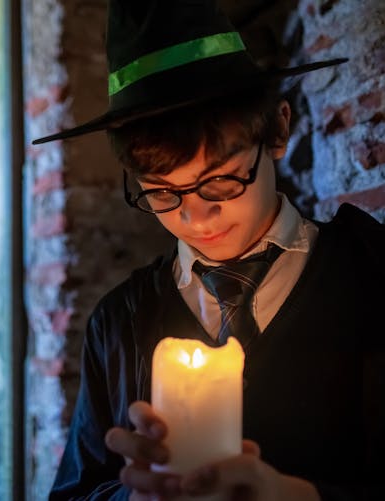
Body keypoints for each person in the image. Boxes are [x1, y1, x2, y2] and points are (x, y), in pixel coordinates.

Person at [32, 1, 384, 500]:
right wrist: (132, 497)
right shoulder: (119, 324)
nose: (194, 217)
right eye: (161, 192)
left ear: (278, 130)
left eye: (219, 181)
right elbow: (74, 493)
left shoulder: (371, 273)